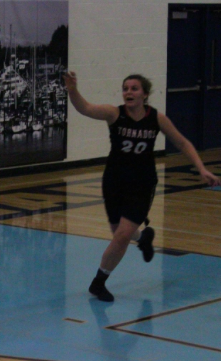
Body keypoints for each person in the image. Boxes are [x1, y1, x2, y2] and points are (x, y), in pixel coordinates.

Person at [63, 72, 221, 302]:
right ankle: (143, 238)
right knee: (119, 233)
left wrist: (202, 169)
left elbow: (182, 142)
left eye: (134, 88)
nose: (129, 92)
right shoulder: (114, 113)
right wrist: (72, 90)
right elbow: (85, 108)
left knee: (121, 236)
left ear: (145, 94)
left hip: (142, 182)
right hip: (114, 181)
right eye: (126, 88)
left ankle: (99, 282)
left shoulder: (156, 118)